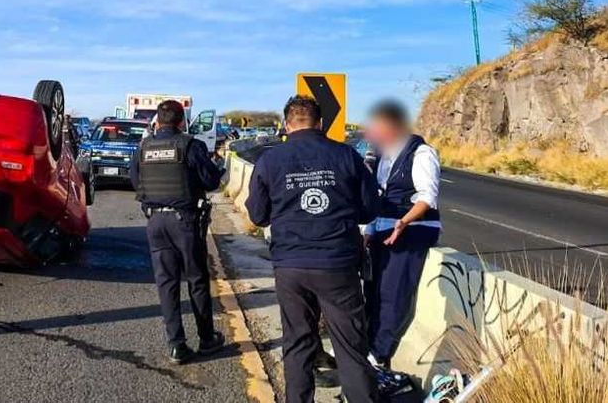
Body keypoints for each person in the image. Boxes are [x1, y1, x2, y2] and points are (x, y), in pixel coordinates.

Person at [246, 95, 378, 403]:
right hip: (338, 265)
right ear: (320, 123)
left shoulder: (269, 160)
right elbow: (370, 210)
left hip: (290, 266)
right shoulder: (346, 156)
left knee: (298, 343)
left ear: (286, 125)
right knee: (349, 347)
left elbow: (257, 215)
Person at [130, 100, 225, 364]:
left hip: (155, 223)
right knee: (196, 280)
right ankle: (206, 339)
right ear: (182, 122)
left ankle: (176, 344)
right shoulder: (190, 145)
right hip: (185, 222)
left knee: (167, 283)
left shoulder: (143, 148)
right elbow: (212, 181)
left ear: (157, 122)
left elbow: (136, 181)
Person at [362, 100, 441, 370]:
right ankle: (368, 349)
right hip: (383, 229)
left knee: (393, 293)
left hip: (413, 230)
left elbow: (427, 198)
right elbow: (376, 197)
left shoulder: (421, 153)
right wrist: (369, 231)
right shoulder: (384, 155)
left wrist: (404, 221)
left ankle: (379, 355)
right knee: (372, 291)